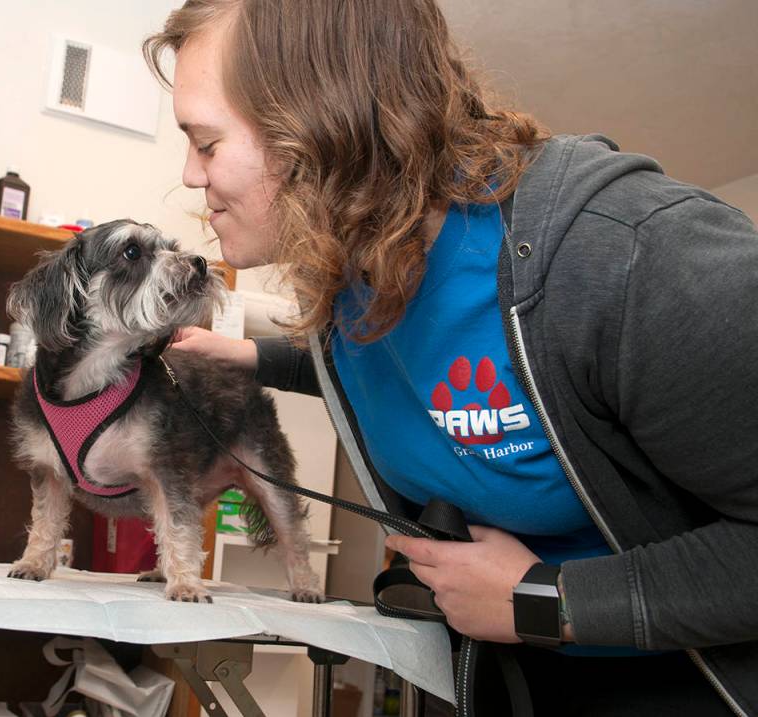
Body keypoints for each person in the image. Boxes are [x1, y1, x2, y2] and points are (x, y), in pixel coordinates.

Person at [143, 1, 758, 715]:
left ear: (317, 128)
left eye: (207, 143)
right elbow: (399, 375)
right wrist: (245, 356)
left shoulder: (632, 260)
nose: (190, 175)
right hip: (502, 676)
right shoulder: (353, 275)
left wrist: (543, 601)